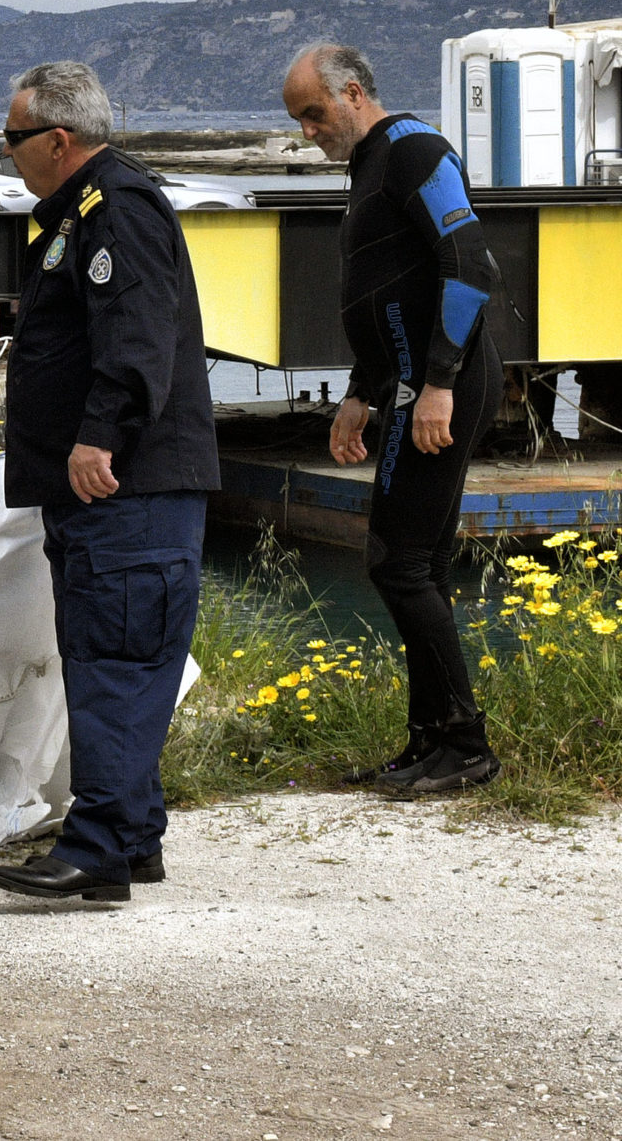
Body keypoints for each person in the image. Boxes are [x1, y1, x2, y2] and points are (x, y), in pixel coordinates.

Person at [0, 61, 217, 903]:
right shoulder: (79, 212)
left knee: (119, 653)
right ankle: (133, 831)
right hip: (98, 490)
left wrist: (97, 434)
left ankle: (99, 847)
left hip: (128, 481)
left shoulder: (114, 206)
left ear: (57, 139)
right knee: (103, 652)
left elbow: (136, 334)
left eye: (12, 139)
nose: (5, 154)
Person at [283, 43, 503, 795]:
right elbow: (383, 293)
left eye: (313, 113)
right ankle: (429, 743)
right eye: (298, 119)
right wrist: (359, 391)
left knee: (396, 562)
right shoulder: (367, 166)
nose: (307, 130)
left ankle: (466, 745)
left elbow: (471, 264)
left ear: (351, 92)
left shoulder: (415, 150)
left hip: (446, 380)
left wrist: (438, 379)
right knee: (422, 566)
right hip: (407, 382)